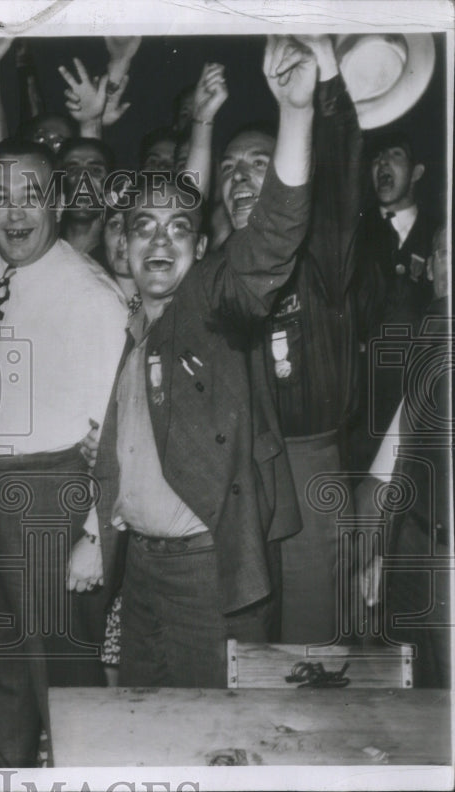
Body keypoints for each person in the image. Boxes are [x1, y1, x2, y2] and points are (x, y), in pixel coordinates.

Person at [90, 35, 316, 687]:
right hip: (141, 569)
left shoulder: (209, 304)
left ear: (201, 247)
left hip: (207, 568)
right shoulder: (129, 323)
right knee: (143, 739)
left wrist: (295, 112)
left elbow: (271, 239)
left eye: (179, 229)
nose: (161, 239)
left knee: (222, 746)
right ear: (122, 246)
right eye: (144, 227)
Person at [0, 138, 128, 766]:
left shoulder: (94, 295)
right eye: (1, 196)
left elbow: (119, 434)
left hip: (52, 497)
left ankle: (84, 774)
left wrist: (96, 533)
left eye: (31, 194)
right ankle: (7, 764)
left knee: (63, 669)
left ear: (55, 201)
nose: (15, 211)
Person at [218, 35, 363, 644]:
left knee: (310, 646)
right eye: (228, 169)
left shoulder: (319, 252)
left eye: (257, 160)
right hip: (239, 475)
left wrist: (323, 83)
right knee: (240, 646)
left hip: (307, 467)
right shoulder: (217, 272)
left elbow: (339, 170)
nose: (241, 176)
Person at [357, 223, 451, 688]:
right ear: (430, 266)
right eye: (443, 253)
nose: (449, 267)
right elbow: (399, 461)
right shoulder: (427, 342)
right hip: (415, 549)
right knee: (420, 692)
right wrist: (385, 555)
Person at [348, 130, 441, 472]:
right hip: (361, 406)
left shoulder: (441, 231)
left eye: (395, 155)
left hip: (421, 402)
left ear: (417, 171)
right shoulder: (353, 233)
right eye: (376, 158)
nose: (382, 164)